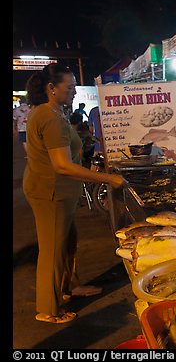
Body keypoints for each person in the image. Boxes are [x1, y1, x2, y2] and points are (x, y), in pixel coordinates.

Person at [24, 63, 128, 324]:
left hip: (59, 190)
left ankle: (68, 287)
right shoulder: (48, 116)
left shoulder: (53, 111)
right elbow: (61, 165)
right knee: (53, 249)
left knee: (67, 243)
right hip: (50, 192)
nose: (73, 92)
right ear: (51, 88)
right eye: (69, 87)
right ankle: (49, 309)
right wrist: (109, 178)